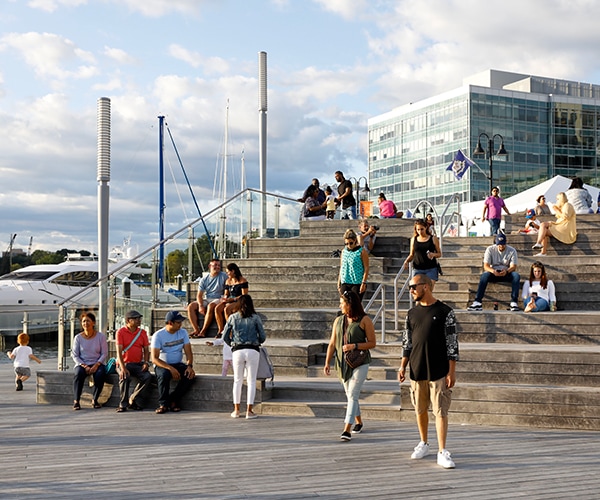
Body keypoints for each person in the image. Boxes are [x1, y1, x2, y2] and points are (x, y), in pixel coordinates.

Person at [398, 275, 459, 469]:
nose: (411, 290)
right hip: (417, 369)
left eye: (414, 287)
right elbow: (407, 342)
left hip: (439, 370)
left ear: (426, 286)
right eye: (410, 288)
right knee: (420, 409)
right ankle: (423, 443)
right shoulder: (411, 314)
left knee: (440, 410)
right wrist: (402, 365)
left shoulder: (445, 312)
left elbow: (452, 344)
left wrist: (452, 371)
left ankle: (442, 452)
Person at [323, 290, 376, 441]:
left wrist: (355, 345)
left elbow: (372, 343)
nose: (340, 306)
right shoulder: (338, 321)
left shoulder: (364, 320)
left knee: (352, 394)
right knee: (351, 395)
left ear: (350, 304)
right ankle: (358, 421)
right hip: (343, 363)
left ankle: (347, 429)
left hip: (360, 361)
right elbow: (332, 343)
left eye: (342, 303)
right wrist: (327, 362)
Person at [222, 294, 266, 419]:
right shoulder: (256, 318)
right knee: (251, 381)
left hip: (237, 350)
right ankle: (249, 411)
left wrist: (232, 344)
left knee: (237, 380)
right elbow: (262, 336)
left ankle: (236, 410)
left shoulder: (233, 317)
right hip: (253, 350)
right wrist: (258, 341)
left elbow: (225, 335)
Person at [151, 310, 196, 414]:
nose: (180, 325)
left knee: (190, 376)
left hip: (177, 363)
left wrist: (189, 366)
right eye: (178, 322)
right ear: (170, 323)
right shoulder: (158, 335)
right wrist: (170, 368)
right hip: (162, 364)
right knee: (164, 375)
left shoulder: (183, 332)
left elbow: (188, 352)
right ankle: (163, 404)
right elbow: (154, 358)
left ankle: (173, 399)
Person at [467, 233, 521, 312]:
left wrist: (506, 271)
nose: (501, 247)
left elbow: (513, 266)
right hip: (493, 272)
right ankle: (477, 301)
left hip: (506, 272)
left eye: (503, 244)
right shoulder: (490, 249)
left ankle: (514, 302)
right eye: (499, 245)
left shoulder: (512, 250)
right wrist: (493, 271)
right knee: (484, 276)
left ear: (506, 242)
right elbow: (486, 266)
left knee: (516, 276)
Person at [115, 310, 152, 412]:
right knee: (124, 377)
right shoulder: (121, 332)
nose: (138, 320)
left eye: (139, 318)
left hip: (137, 363)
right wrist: (122, 368)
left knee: (147, 377)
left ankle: (135, 398)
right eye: (135, 319)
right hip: (124, 363)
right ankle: (123, 403)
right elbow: (119, 351)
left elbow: (146, 350)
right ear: (128, 320)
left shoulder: (142, 333)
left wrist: (146, 362)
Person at [71, 312, 109, 410]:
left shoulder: (101, 337)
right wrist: (84, 365)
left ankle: (95, 400)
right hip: (82, 363)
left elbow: (104, 353)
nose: (85, 323)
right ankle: (76, 401)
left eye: (88, 321)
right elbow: (75, 355)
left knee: (100, 374)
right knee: (78, 374)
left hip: (97, 362)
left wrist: (96, 365)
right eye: (83, 321)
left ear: (93, 323)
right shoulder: (78, 338)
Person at [187, 258, 228, 338]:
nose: (217, 267)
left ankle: (203, 331)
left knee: (210, 306)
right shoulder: (204, 279)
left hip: (219, 297)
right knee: (191, 306)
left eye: (219, 265)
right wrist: (201, 306)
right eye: (215, 265)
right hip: (207, 298)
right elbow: (199, 295)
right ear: (210, 266)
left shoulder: (224, 276)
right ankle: (196, 329)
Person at [532, 192, 577, 256]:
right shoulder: (563, 206)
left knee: (543, 225)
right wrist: (558, 209)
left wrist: (556, 210)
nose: (557, 201)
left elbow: (566, 216)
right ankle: (542, 251)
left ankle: (539, 244)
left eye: (558, 199)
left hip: (565, 227)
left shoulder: (568, 205)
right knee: (543, 228)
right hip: (560, 225)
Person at [403, 219, 442, 290]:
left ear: (426, 228)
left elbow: (439, 254)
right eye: (418, 229)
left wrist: (433, 254)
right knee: (417, 291)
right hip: (418, 268)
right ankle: (418, 301)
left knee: (428, 291)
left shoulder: (433, 238)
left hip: (431, 268)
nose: (420, 232)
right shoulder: (413, 239)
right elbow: (412, 254)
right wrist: (406, 261)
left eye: (422, 229)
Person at [338, 228, 369, 301]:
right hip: (345, 280)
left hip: (357, 282)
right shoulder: (344, 251)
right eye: (346, 243)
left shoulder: (361, 251)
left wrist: (363, 282)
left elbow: (366, 267)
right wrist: (339, 282)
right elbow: (342, 267)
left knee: (355, 304)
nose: (349, 245)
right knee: (345, 303)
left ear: (355, 240)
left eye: (351, 243)